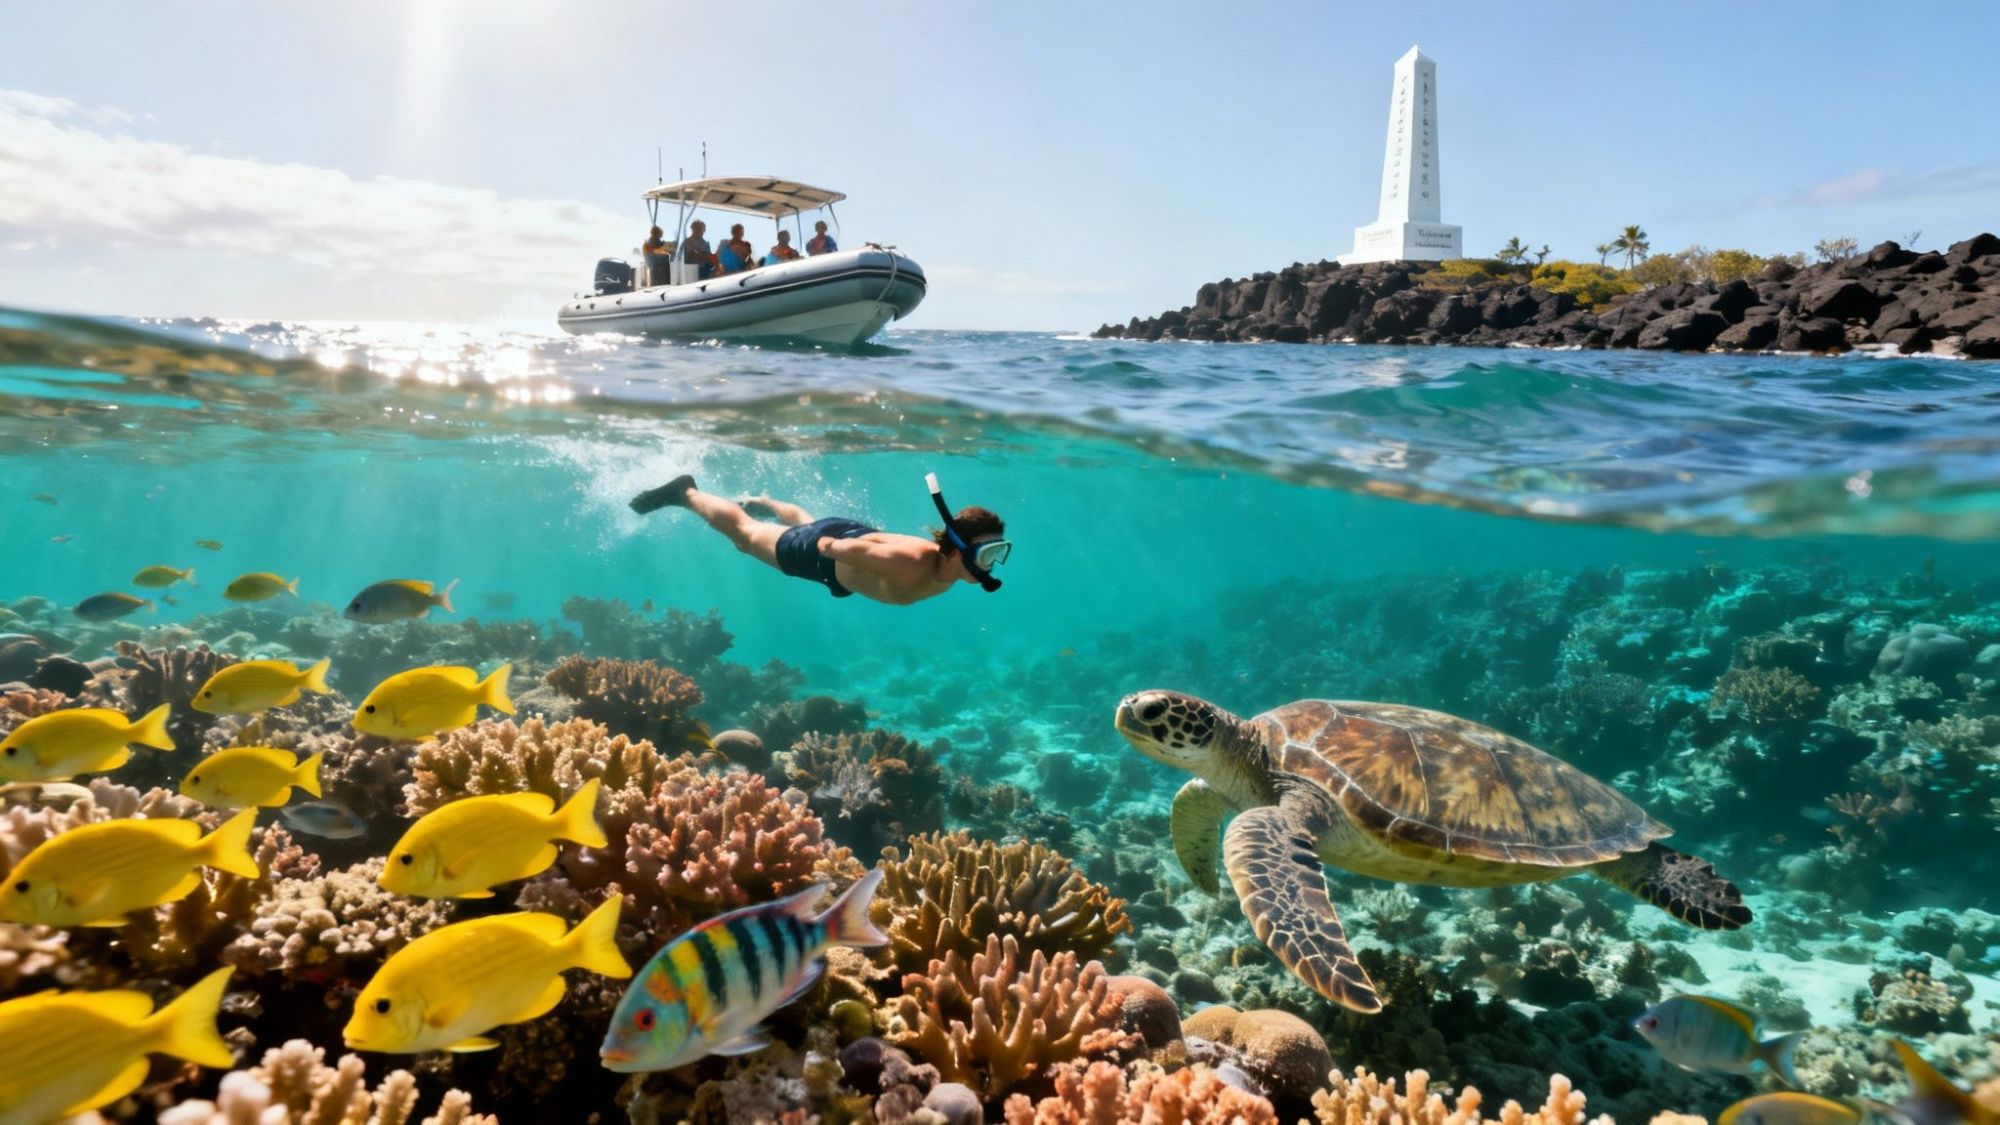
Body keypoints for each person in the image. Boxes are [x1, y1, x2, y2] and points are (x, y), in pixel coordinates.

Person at [627, 474, 1009, 605]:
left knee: (807, 524)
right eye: (988, 552)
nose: (992, 564)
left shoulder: (943, 566)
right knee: (745, 537)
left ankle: (768, 503)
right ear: (959, 550)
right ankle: (686, 493)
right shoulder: (909, 565)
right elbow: (833, 545)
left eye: (998, 553)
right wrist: (820, 545)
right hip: (826, 553)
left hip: (848, 550)